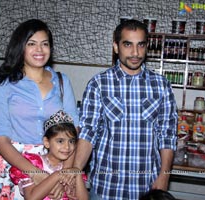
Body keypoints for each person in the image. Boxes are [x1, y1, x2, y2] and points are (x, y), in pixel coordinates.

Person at [73, 19, 178, 199]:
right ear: (116, 46)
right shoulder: (99, 84)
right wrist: (75, 173)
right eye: (128, 44)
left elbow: (167, 135)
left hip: (147, 188)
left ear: (147, 47)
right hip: (106, 187)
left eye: (141, 45)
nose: (135, 53)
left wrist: (164, 176)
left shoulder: (161, 85)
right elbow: (88, 133)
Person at [0, 19, 79, 199]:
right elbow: (0, 138)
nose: (39, 50)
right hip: (13, 164)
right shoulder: (5, 83)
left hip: (55, 161)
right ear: (20, 48)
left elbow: (74, 131)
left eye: (44, 44)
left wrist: (65, 172)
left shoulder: (62, 81)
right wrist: (35, 172)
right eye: (31, 44)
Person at [9, 110, 88, 200]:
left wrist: (76, 172)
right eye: (60, 141)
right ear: (46, 142)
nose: (67, 147)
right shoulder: (35, 164)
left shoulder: (71, 169)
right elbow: (31, 198)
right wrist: (57, 175)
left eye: (71, 141)